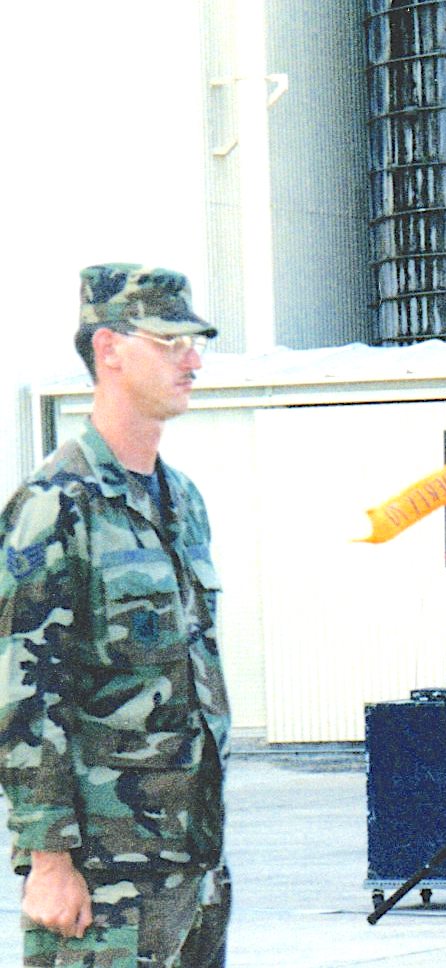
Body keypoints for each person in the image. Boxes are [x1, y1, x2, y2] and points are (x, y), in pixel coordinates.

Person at [0, 264, 231, 967]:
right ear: (109, 349)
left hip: (192, 871)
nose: (192, 360)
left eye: (193, 343)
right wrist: (48, 859)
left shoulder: (181, 501)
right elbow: (23, 696)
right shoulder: (55, 504)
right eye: (170, 342)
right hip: (103, 884)